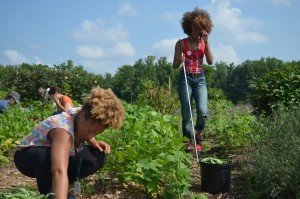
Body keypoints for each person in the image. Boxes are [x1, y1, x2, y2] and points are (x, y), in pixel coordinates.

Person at [14, 87, 125, 199]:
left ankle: (60, 186)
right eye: (91, 131)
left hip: (55, 155)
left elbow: (84, 127)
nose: (90, 136)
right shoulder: (63, 130)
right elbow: (58, 170)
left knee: (97, 155)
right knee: (47, 159)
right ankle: (51, 191)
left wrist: (93, 141)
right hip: (28, 157)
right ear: (82, 116)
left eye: (95, 134)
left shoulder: (80, 114)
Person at [172, 7, 213, 153]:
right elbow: (175, 65)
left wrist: (207, 42)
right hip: (185, 78)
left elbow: (210, 61)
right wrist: (179, 59)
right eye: (195, 29)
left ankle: (198, 135)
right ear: (189, 28)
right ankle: (188, 141)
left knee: (203, 111)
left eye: (200, 29)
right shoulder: (181, 43)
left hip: (200, 79)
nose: (198, 32)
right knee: (187, 112)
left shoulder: (203, 42)